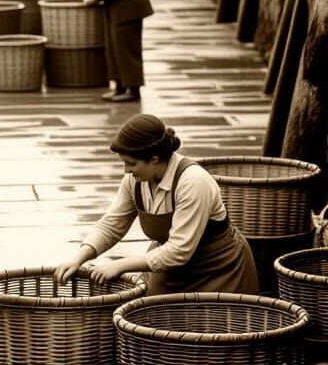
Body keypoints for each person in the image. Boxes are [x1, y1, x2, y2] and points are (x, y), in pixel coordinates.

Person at [54, 113, 259, 295]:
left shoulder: (193, 181)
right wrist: (78, 258)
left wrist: (120, 265)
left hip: (218, 270)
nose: (126, 170)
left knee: (214, 331)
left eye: (131, 163)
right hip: (170, 270)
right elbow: (111, 225)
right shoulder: (135, 180)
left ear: (154, 158)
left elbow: (179, 251)